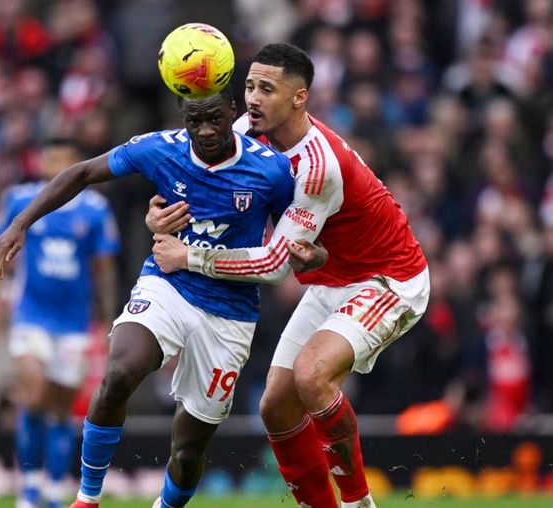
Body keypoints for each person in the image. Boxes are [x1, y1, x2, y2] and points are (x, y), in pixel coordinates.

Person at [149, 43, 430, 508]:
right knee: (276, 407)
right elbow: (199, 190)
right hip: (331, 279)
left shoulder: (317, 166)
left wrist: (189, 257)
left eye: (267, 89)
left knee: (312, 375)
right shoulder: (244, 133)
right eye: (249, 86)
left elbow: (276, 265)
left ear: (300, 98)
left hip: (388, 278)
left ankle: (359, 504)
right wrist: (158, 216)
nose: (253, 99)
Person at [0, 85, 295, 508]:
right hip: (167, 284)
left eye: (214, 119)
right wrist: (21, 223)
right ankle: (86, 498)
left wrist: (312, 257)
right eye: (194, 121)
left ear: (232, 110)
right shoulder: (160, 149)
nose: (205, 131)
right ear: (182, 118)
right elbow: (82, 173)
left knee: (188, 450)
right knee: (119, 372)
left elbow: (283, 255)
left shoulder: (272, 171)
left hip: (230, 312)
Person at [0, 138, 120, 508]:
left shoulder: (95, 209)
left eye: (64, 159)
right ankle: (29, 488)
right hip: (31, 314)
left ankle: (55, 489)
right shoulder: (19, 200)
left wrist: (109, 319)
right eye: (50, 158)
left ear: (78, 165)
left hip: (74, 322)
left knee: (62, 406)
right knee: (33, 392)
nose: (55, 165)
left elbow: (103, 268)